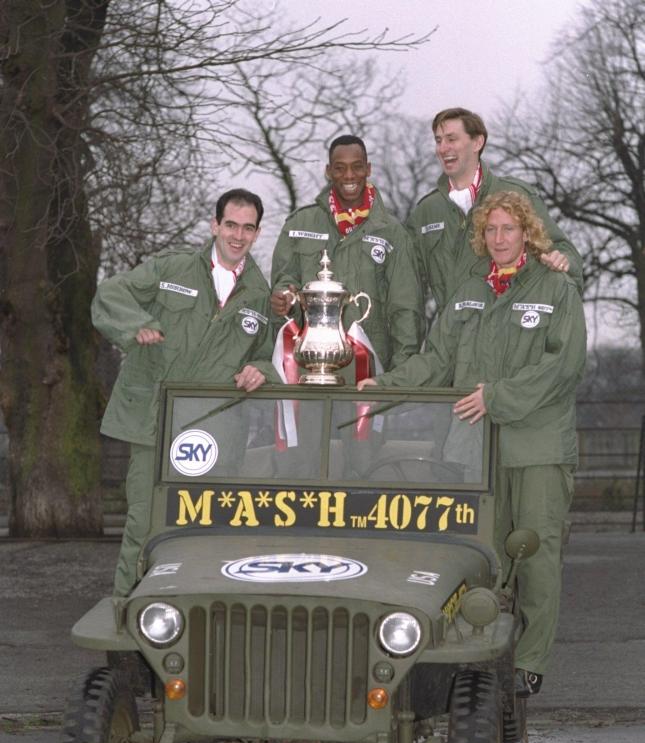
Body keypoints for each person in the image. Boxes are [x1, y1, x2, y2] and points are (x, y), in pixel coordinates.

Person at [359, 191, 587, 696]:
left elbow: (562, 366)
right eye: (491, 230)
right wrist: (387, 385)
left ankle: (529, 661)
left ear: (527, 233)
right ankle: (480, 651)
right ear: (481, 237)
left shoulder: (556, 289)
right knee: (478, 554)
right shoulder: (467, 293)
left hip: (537, 446)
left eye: (509, 229)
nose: (500, 238)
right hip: (472, 446)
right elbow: (436, 360)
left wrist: (496, 397)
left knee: (535, 551)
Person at [93, 188, 277, 596]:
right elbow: (111, 294)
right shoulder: (171, 268)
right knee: (144, 523)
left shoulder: (260, 294)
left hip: (212, 433)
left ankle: (188, 618)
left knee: (203, 528)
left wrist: (259, 370)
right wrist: (135, 325)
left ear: (257, 233)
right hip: (154, 424)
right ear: (215, 225)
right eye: (231, 224)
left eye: (248, 228)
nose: (237, 235)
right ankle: (128, 615)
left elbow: (268, 354)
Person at [270, 134, 425, 380]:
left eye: (357, 167)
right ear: (329, 171)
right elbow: (284, 279)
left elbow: (406, 309)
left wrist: (399, 376)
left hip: (370, 371)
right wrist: (284, 297)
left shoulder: (393, 233)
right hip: (308, 370)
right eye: (340, 168)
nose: (349, 176)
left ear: (368, 169)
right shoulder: (300, 223)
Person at [408, 107, 584, 312]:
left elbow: (563, 251)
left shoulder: (516, 195)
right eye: (438, 141)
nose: (443, 148)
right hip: (449, 337)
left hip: (506, 333)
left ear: (477, 142)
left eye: (451, 139)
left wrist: (564, 261)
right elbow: (403, 281)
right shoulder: (427, 211)